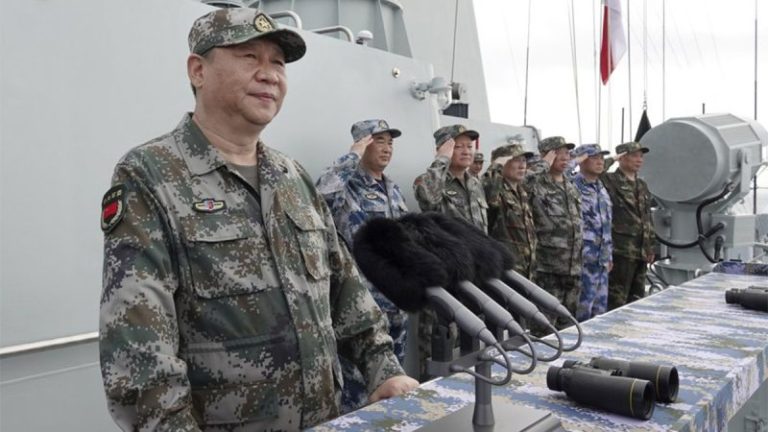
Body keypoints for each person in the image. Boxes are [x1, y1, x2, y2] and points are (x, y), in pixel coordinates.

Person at [98, 9, 416, 431]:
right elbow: (139, 348)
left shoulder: (293, 176)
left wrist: (383, 369)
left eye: (278, 63)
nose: (269, 75)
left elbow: (345, 288)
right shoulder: (150, 174)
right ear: (198, 70)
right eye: (249, 57)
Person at [315, 119, 409, 413]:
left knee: (395, 387)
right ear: (363, 144)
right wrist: (352, 156)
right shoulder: (347, 187)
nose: (387, 148)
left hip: (396, 305)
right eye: (379, 141)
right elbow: (321, 198)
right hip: (361, 309)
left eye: (390, 142)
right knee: (357, 395)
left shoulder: (393, 189)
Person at [525, 136, 583, 326]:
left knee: (569, 324)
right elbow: (521, 184)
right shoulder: (536, 183)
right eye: (558, 153)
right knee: (544, 326)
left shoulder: (570, 185)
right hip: (547, 268)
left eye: (567, 153)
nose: (565, 157)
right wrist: (543, 164)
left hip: (573, 267)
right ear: (547, 155)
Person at [601, 141, 657, 310]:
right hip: (621, 251)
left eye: (641, 156)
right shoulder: (610, 180)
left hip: (641, 251)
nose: (639, 160)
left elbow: (647, 217)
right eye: (634, 156)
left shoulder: (642, 185)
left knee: (637, 300)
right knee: (617, 300)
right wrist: (612, 159)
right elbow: (596, 171)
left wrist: (650, 246)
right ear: (622, 158)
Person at [413, 124, 488, 232]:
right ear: (441, 150)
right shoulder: (427, 181)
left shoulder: (476, 183)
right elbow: (429, 200)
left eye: (469, 146)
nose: (466, 152)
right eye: (458, 147)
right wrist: (442, 158)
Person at [569, 144, 613, 321]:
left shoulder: (601, 187)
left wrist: (609, 256)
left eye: (601, 158)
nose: (600, 162)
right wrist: (575, 161)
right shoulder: (572, 184)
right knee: (581, 311)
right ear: (582, 160)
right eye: (594, 158)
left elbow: (606, 224)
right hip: (583, 259)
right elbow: (557, 174)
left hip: (601, 260)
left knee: (599, 312)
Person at [483, 143, 537, 278]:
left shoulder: (522, 192)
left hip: (528, 270)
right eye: (516, 160)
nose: (522, 165)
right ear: (502, 164)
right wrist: (496, 165)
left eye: (524, 160)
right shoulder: (496, 191)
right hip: (506, 271)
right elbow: (487, 187)